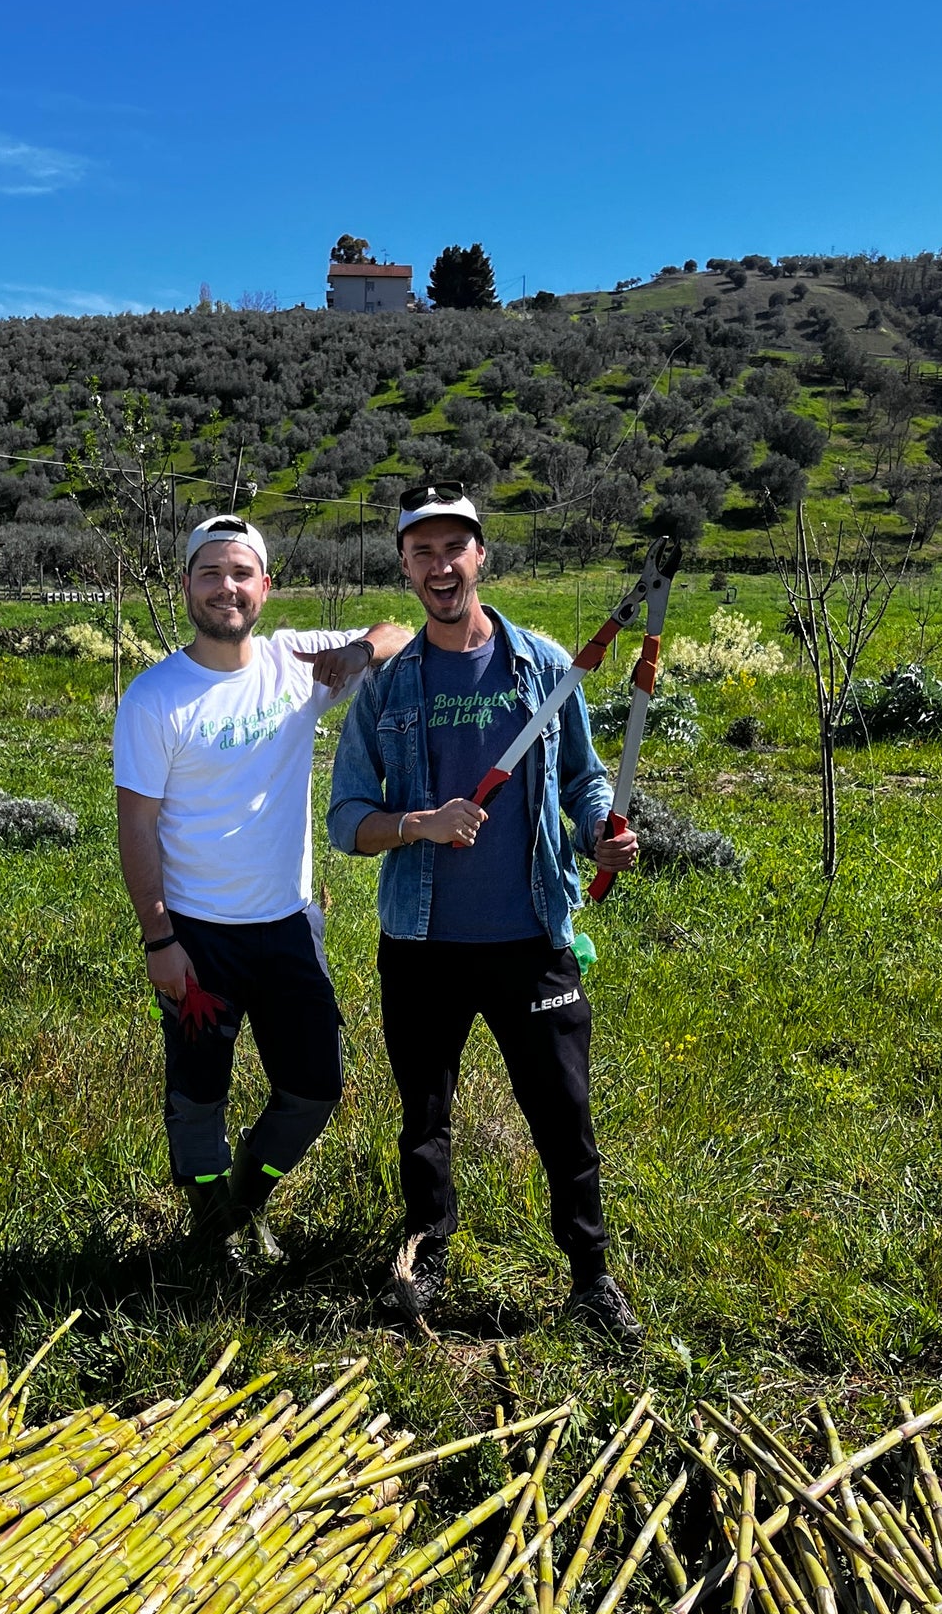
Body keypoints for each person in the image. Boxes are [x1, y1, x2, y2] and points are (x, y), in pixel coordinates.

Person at [326, 483, 642, 1339]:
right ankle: (424, 1252)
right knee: (422, 1115)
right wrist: (416, 824)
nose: (439, 566)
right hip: (421, 943)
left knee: (562, 1115)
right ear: (403, 565)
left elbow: (582, 780)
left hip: (532, 936)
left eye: (453, 548)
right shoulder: (388, 689)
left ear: (480, 556)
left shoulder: (544, 666)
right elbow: (346, 819)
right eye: (421, 551)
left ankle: (589, 1274)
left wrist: (596, 835)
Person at [114, 513, 410, 1259]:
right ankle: (210, 1227)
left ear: (266, 587)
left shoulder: (294, 666)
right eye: (210, 572)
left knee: (315, 1091)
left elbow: (398, 632)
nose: (226, 587)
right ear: (185, 584)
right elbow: (137, 828)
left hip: (286, 931)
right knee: (196, 1098)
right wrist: (159, 940)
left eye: (241, 573)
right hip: (195, 938)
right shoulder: (155, 698)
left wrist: (355, 649)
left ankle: (247, 1194)